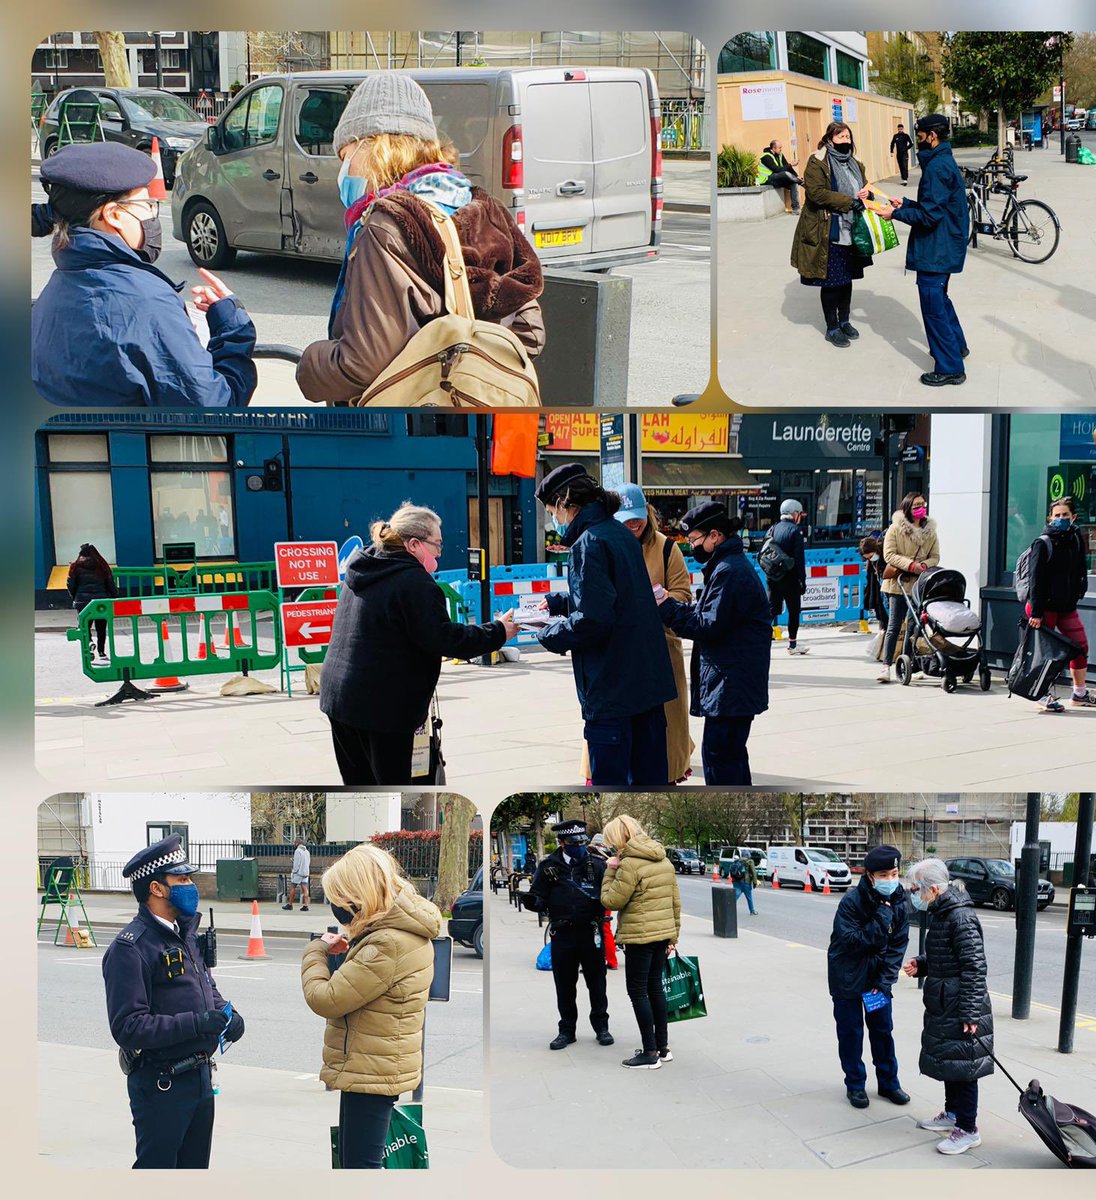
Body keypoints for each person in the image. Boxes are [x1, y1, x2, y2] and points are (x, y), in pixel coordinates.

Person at [297, 72, 544, 403]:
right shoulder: (484, 208)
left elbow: (362, 364)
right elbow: (529, 334)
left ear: (372, 147)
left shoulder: (387, 226)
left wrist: (310, 366)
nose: (344, 171)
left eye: (346, 156)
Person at [32, 143, 257, 408]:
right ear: (113, 215)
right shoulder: (146, 302)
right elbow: (214, 409)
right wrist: (234, 331)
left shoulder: (54, 291)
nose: (152, 216)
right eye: (147, 205)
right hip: (135, 449)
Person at [319, 503, 518, 784]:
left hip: (339, 697)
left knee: (359, 785)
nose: (439, 552)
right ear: (414, 544)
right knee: (393, 789)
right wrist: (499, 631)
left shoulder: (365, 566)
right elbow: (447, 639)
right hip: (381, 706)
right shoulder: (412, 581)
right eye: (436, 544)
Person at [101, 835, 246, 1168]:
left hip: (199, 1077)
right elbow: (128, 1027)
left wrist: (229, 1014)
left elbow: (205, 986)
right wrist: (196, 1023)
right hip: (161, 1084)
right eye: (182, 879)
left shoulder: (184, 933)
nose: (190, 885)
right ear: (156, 888)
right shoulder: (130, 949)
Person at [535, 464, 676, 787]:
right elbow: (620, 600)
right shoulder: (618, 534)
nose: (553, 519)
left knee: (611, 784)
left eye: (551, 510)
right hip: (645, 685)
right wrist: (563, 602)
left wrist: (548, 633)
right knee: (649, 781)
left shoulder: (588, 543)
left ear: (565, 503)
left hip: (612, 687)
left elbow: (595, 619)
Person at [301, 843, 440, 1169]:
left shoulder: (386, 942)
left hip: (371, 1070)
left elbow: (326, 998)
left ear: (358, 897)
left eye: (338, 898)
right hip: (374, 1064)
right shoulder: (398, 932)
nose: (336, 906)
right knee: (357, 1162)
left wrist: (316, 951)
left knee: (360, 1168)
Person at [656, 502, 772, 785]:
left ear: (715, 536)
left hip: (731, 685)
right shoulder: (726, 567)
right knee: (728, 755)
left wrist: (667, 607)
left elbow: (708, 626)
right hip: (731, 682)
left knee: (720, 759)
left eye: (695, 539)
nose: (693, 546)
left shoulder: (730, 572)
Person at [902, 857, 994, 1156]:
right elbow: (948, 957)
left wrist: (970, 1012)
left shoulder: (960, 917)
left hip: (961, 1004)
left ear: (934, 889)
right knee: (950, 1062)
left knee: (964, 1067)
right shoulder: (943, 912)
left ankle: (968, 1129)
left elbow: (974, 966)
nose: (914, 894)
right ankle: (952, 1114)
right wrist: (923, 964)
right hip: (946, 1000)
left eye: (917, 889)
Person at [612, 483, 695, 782]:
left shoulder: (667, 548)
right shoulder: (605, 545)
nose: (633, 524)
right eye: (626, 518)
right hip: (620, 654)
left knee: (665, 730)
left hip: (660, 650)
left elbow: (684, 596)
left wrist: (660, 598)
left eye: (638, 517)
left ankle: (669, 774)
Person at [886, 113, 971, 387]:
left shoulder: (936, 168)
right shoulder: (942, 161)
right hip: (944, 244)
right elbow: (934, 205)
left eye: (920, 136)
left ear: (931, 136)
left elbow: (930, 216)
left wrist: (894, 214)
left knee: (933, 307)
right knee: (941, 301)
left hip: (937, 249)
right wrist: (906, 204)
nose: (918, 141)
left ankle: (950, 368)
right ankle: (957, 346)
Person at [827, 845, 911, 1110]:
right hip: (848, 979)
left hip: (876, 982)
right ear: (870, 875)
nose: (890, 879)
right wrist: (882, 915)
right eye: (884, 874)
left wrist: (883, 983)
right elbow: (854, 941)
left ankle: (888, 1083)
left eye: (894, 873)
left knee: (883, 1032)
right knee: (851, 1034)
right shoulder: (851, 902)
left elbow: (898, 945)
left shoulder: (899, 899)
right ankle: (855, 1085)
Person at [519, 821, 613, 1050]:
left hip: (591, 932)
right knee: (564, 985)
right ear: (562, 843)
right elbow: (539, 896)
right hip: (563, 934)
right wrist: (533, 902)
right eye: (574, 843)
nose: (579, 846)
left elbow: (610, 896)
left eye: (582, 842)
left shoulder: (597, 865)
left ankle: (601, 1027)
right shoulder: (549, 866)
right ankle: (567, 1030)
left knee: (597, 983)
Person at [600, 816, 681, 1070]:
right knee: (655, 988)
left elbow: (611, 901)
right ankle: (663, 1048)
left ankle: (649, 1053)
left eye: (612, 842)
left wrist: (611, 869)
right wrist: (673, 936)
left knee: (638, 992)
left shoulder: (629, 864)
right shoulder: (663, 859)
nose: (612, 847)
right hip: (661, 935)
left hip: (639, 936)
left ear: (619, 838)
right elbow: (675, 901)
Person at [791, 122, 874, 349]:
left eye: (848, 136)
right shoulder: (818, 161)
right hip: (828, 228)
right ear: (830, 138)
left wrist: (868, 193)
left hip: (852, 229)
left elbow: (866, 188)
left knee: (846, 279)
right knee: (831, 282)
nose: (845, 140)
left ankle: (845, 320)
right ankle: (832, 327)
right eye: (840, 136)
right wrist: (849, 202)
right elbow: (816, 194)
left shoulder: (855, 163)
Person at [1025, 496, 1096, 712]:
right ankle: (1041, 694)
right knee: (1045, 653)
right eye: (1057, 515)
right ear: (1050, 518)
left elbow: (1080, 567)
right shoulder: (1042, 543)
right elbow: (1036, 580)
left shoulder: (1076, 538)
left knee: (1080, 647)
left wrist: (1080, 589)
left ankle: (1079, 693)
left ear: (1073, 517)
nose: (1061, 519)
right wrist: (1036, 612)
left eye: (1065, 515)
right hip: (1042, 607)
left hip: (1066, 605)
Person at [877, 493, 941, 683]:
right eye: (916, 505)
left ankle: (907, 663)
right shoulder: (895, 529)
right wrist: (910, 565)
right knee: (894, 625)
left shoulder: (930, 531)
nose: (921, 508)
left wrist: (925, 565)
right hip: (899, 582)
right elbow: (889, 554)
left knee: (914, 625)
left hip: (920, 584)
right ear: (908, 508)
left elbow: (935, 556)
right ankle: (886, 665)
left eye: (923, 504)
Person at [764, 498, 810, 655]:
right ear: (794, 513)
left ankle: (760, 640)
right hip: (790, 578)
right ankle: (792, 645)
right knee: (794, 611)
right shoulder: (795, 531)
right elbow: (799, 559)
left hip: (772, 577)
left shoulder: (773, 529)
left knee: (771, 611)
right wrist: (802, 581)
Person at [66, 542, 118, 664]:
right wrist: (114, 597)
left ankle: (89, 644)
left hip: (82, 601)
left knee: (84, 626)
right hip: (101, 601)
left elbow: (70, 585)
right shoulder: (102, 566)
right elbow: (111, 584)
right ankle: (102, 652)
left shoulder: (75, 567)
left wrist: (76, 598)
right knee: (101, 628)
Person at [588, 832, 621, 970]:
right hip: (607, 899)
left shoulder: (596, 862)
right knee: (605, 929)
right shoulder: (609, 861)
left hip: (598, 899)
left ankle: (610, 960)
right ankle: (611, 960)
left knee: (601, 930)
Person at [857, 535, 891, 635]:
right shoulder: (872, 563)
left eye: (871, 557)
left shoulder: (886, 555)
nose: (871, 559)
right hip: (879, 590)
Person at [758, 139, 802, 213]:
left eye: (781, 147)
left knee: (793, 183)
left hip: (778, 178)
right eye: (779, 148)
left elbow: (787, 167)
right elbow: (776, 169)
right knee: (784, 173)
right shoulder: (765, 157)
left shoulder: (780, 155)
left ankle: (796, 209)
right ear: (773, 148)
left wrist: (796, 176)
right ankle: (799, 181)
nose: (781, 149)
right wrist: (790, 165)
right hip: (767, 179)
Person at [283, 838, 311, 911]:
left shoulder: (297, 851)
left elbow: (297, 864)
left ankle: (290, 904)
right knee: (305, 888)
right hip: (305, 872)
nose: (293, 844)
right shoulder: (307, 852)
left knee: (293, 887)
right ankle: (306, 905)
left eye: (294, 843)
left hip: (298, 873)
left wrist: (294, 871)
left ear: (297, 843)